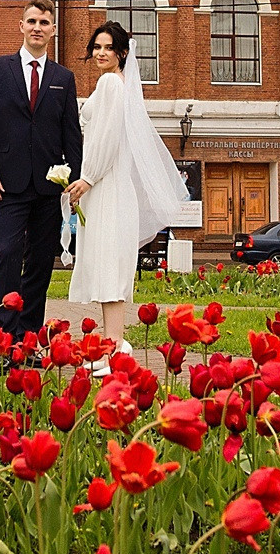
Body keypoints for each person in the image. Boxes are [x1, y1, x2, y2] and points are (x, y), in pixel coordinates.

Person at [62, 20, 187, 363]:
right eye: (97, 47)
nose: (101, 53)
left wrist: (86, 178)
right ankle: (113, 343)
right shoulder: (120, 86)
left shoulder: (110, 85)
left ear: (122, 53)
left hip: (107, 187)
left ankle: (113, 346)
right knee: (109, 267)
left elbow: (106, 139)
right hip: (110, 186)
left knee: (108, 268)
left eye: (108, 48)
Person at [0, 0, 82, 339]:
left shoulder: (64, 77)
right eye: (32, 21)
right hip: (5, 183)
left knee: (38, 263)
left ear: (52, 30)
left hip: (49, 187)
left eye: (44, 23)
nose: (37, 28)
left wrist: (75, 180)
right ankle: (3, 336)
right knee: (7, 253)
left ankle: (29, 336)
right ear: (21, 26)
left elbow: (71, 133)